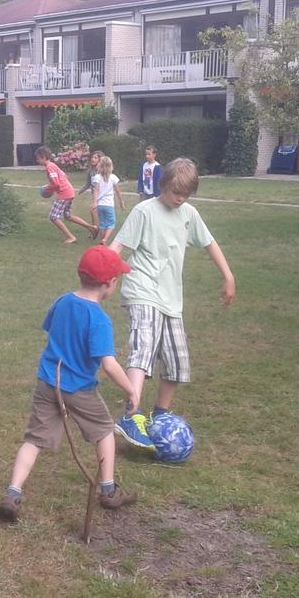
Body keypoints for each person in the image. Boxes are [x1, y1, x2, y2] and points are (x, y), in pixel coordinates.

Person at [0, 245, 141, 523]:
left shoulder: (62, 301)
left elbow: (51, 329)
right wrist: (130, 389)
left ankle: (12, 493)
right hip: (78, 388)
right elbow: (108, 364)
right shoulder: (99, 319)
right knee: (104, 431)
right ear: (109, 283)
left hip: (48, 381)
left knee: (34, 440)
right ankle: (108, 490)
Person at [108, 158, 235, 449]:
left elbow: (209, 243)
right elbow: (118, 247)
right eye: (176, 193)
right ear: (163, 185)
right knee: (144, 345)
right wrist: (105, 274)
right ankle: (131, 415)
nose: (180, 199)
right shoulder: (144, 211)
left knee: (178, 362)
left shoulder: (189, 213)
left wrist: (228, 276)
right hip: (142, 290)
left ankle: (159, 417)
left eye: (185, 194)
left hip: (171, 298)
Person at [36, 145, 98, 244]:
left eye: (38, 158)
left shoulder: (49, 167)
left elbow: (56, 183)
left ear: (43, 157)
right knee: (68, 215)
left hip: (64, 194)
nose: (37, 161)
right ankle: (91, 227)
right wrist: (53, 186)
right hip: (69, 191)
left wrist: (48, 189)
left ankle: (71, 237)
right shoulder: (53, 165)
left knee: (53, 216)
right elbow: (65, 176)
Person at [91, 155, 126, 246]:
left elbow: (96, 190)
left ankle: (102, 241)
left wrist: (95, 202)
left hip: (100, 205)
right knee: (111, 223)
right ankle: (105, 239)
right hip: (109, 205)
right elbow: (118, 192)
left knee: (102, 223)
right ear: (111, 166)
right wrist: (121, 202)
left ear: (100, 166)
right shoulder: (113, 177)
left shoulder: (97, 177)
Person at [77, 149, 105, 228]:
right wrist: (80, 191)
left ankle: (96, 228)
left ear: (100, 160)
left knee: (94, 211)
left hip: (102, 195)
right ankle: (95, 227)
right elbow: (88, 184)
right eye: (92, 157)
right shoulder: (91, 171)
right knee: (93, 211)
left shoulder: (102, 171)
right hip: (95, 195)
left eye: (96, 158)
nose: (93, 159)